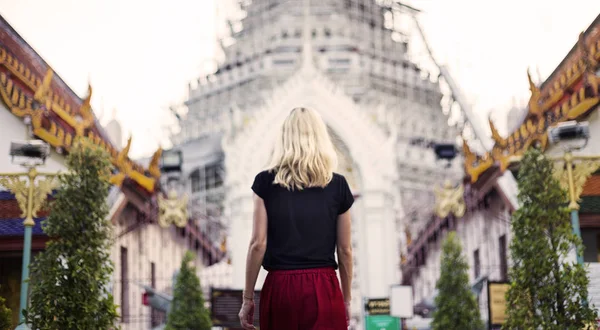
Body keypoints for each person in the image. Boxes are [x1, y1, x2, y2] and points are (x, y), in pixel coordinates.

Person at [238, 107, 354, 330]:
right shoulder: (338, 186)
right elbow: (345, 250)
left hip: (280, 288)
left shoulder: (265, 182)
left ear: (284, 138)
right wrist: (346, 299)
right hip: (324, 287)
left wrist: (248, 299)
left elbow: (257, 244)